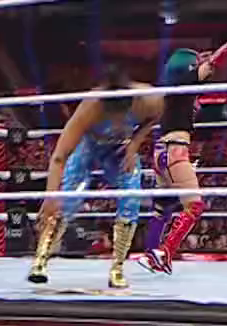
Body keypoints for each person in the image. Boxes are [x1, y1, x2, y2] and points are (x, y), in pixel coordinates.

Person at [141, 15, 227, 274]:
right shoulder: (185, 82)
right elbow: (217, 61)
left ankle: (150, 254)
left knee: (162, 208)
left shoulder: (172, 91)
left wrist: (201, 57)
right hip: (175, 150)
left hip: (160, 152)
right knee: (195, 206)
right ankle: (165, 251)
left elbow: (209, 61)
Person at [30, 74, 163, 289]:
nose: (118, 121)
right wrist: (51, 196)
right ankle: (41, 259)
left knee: (132, 194)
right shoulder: (89, 107)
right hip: (89, 146)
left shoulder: (149, 99)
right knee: (67, 198)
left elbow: (155, 117)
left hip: (119, 149)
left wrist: (134, 144)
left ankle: (117, 268)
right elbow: (59, 156)